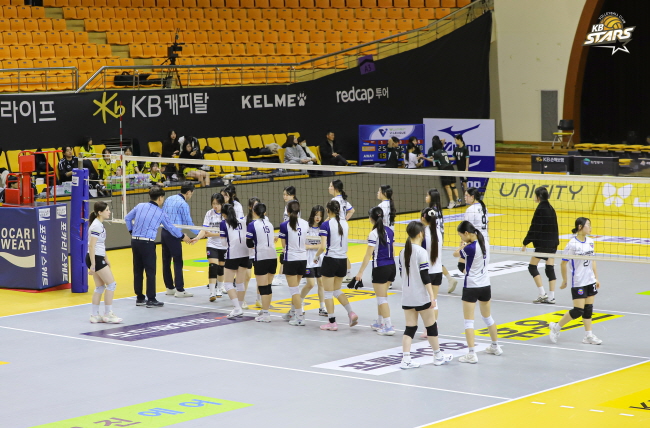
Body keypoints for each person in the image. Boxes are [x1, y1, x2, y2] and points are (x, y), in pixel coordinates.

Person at [398, 221, 453, 369]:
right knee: (431, 326)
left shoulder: (402, 252)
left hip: (407, 296)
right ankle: (438, 356)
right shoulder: (421, 252)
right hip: (420, 296)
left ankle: (406, 359)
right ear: (420, 234)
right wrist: (432, 296)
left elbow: (402, 274)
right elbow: (425, 276)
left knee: (410, 328)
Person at [125, 186, 191, 307]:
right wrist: (182, 236)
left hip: (135, 242)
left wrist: (131, 231)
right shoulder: (160, 213)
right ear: (160, 198)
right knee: (150, 271)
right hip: (147, 243)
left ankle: (140, 298)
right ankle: (151, 299)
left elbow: (127, 218)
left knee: (138, 270)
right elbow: (170, 228)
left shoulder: (140, 206)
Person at [453, 220, 502, 364]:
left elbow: (455, 254)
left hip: (471, 286)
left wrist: (462, 245)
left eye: (461, 236)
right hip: (485, 285)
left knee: (468, 322)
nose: (461, 238)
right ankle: (495, 346)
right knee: (488, 317)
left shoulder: (470, 248)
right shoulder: (484, 242)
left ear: (466, 233)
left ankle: (471, 354)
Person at [549, 217, 603, 345]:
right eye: (588, 225)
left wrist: (596, 278)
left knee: (588, 309)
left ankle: (588, 336)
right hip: (578, 281)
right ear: (580, 227)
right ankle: (556, 327)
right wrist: (565, 280)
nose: (590, 227)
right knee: (578, 310)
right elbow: (563, 263)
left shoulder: (590, 242)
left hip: (590, 280)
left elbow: (592, 261)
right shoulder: (572, 244)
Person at [314, 200, 358, 331]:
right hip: (343, 261)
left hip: (331, 260)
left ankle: (332, 322)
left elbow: (322, 246)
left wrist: (316, 257)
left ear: (328, 210)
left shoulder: (326, 224)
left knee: (328, 293)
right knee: (337, 290)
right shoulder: (345, 223)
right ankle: (351, 312)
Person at [354, 207, 396, 336]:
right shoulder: (390, 231)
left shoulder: (374, 233)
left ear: (371, 218)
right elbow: (393, 251)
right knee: (382, 297)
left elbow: (368, 255)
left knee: (382, 299)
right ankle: (380, 322)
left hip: (380, 268)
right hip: (391, 267)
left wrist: (360, 272)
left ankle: (388, 326)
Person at [522, 187, 560, 304]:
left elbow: (535, 227)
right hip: (553, 242)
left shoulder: (541, 209)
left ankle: (542, 293)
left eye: (535, 195)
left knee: (532, 267)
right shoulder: (551, 208)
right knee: (550, 269)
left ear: (538, 197)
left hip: (543, 244)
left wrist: (526, 242)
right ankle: (551, 297)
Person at [87, 202, 122, 324]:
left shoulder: (99, 224)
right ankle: (108, 314)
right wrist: (93, 264)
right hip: (95, 258)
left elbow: (100, 244)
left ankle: (95, 315)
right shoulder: (96, 226)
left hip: (98, 257)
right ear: (100, 212)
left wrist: (106, 258)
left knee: (100, 287)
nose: (109, 212)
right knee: (111, 284)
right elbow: (91, 246)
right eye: (107, 210)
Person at [162, 182, 198, 298]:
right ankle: (180, 290)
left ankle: (169, 288)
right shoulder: (183, 204)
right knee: (177, 261)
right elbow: (188, 223)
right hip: (174, 235)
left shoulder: (169, 198)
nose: (191, 195)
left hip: (164, 232)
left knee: (166, 261)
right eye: (191, 193)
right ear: (188, 192)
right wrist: (200, 233)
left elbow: (163, 215)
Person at [279, 200, 310, 326]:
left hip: (291, 259)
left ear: (287, 211)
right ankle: (292, 312)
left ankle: (300, 317)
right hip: (303, 259)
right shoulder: (306, 223)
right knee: (296, 288)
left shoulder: (284, 225)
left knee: (294, 290)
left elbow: (283, 245)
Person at [246, 202, 278, 323]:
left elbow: (248, 243)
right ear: (265, 213)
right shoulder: (270, 224)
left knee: (263, 287)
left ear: (254, 212)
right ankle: (265, 310)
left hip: (261, 257)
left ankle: (265, 314)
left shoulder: (252, 224)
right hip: (273, 257)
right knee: (268, 286)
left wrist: (256, 246)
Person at [194, 193, 226, 302]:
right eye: (213, 203)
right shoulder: (209, 213)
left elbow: (226, 232)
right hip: (212, 244)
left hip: (224, 245)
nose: (215, 206)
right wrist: (197, 238)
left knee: (221, 268)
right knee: (213, 266)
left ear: (222, 203)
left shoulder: (226, 214)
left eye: (217, 204)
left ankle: (219, 289)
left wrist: (212, 234)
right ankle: (212, 292)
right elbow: (204, 229)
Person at [220, 203, 250, 319]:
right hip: (245, 254)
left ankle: (237, 308)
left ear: (224, 214)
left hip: (233, 254)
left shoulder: (224, 223)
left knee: (227, 283)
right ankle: (239, 307)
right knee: (240, 283)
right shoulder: (243, 221)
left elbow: (223, 243)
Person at [426, 188, 458, 293]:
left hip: (433, 237)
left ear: (432, 198)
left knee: (432, 260)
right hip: (439, 236)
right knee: (435, 259)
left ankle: (448, 279)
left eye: (427, 195)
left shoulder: (431, 211)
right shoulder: (438, 209)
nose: (426, 197)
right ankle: (450, 279)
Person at [419, 207, 443, 340]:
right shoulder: (438, 232)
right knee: (434, 301)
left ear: (423, 218)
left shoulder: (422, 233)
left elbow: (420, 253)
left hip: (427, 272)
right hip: (438, 271)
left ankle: (429, 328)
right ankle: (433, 326)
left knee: (426, 302)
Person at [303, 205, 327, 317]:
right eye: (316, 215)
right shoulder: (306, 227)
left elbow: (323, 245)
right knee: (310, 284)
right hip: (308, 259)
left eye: (320, 216)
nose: (318, 218)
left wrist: (309, 246)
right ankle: (299, 303)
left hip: (320, 258)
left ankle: (322, 307)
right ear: (312, 215)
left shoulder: (323, 228)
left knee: (321, 283)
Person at [421, 137, 459, 209]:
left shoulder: (436, 152)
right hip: (451, 167)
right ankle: (458, 200)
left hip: (444, 169)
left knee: (447, 186)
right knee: (453, 185)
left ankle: (451, 201)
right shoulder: (444, 151)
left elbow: (433, 160)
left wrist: (424, 158)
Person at [329, 179, 355, 282]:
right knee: (342, 250)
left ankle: (345, 273)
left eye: (330, 186)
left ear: (335, 188)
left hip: (337, 227)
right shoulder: (343, 200)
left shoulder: (334, 200)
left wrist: (321, 225)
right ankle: (348, 273)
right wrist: (344, 219)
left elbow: (330, 216)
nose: (329, 188)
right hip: (344, 226)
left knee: (337, 250)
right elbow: (352, 210)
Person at [460, 188, 490, 274]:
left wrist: (462, 243)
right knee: (482, 266)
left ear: (472, 197)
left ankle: (470, 278)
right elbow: (488, 224)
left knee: (464, 265)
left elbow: (465, 229)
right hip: (485, 239)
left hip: (475, 242)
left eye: (467, 195)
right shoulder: (484, 207)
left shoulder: (470, 210)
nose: (465, 197)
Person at [244, 197, 262, 310]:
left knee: (260, 277)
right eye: (254, 205)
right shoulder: (245, 220)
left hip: (259, 253)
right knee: (247, 276)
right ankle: (242, 300)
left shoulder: (264, 220)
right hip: (247, 252)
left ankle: (259, 299)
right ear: (250, 207)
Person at [451, 134, 470, 205]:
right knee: (458, 183)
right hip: (457, 169)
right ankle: (460, 199)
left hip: (463, 169)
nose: (455, 141)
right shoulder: (456, 149)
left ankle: (466, 198)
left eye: (455, 140)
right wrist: (446, 158)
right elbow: (454, 158)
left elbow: (467, 158)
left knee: (464, 183)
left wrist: (466, 168)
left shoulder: (465, 148)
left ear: (459, 140)